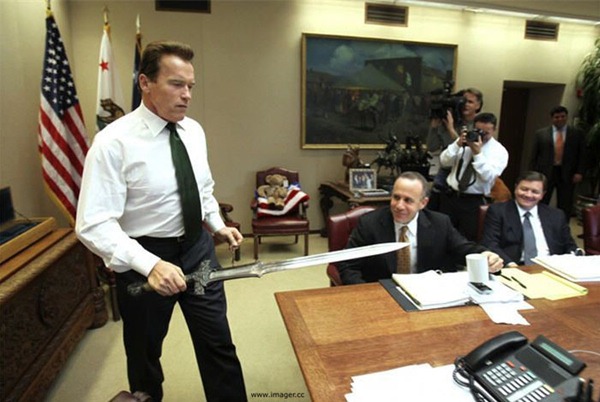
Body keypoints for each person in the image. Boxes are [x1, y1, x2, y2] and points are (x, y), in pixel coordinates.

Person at [75, 41, 247, 401]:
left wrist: (217, 224)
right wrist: (150, 265)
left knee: (218, 343)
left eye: (190, 86)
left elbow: (202, 189)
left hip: (197, 251)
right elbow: (92, 223)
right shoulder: (113, 143)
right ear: (145, 83)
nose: (186, 95)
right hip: (143, 258)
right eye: (176, 84)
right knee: (145, 356)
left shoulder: (193, 131)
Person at [338, 171, 504, 285]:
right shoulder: (370, 223)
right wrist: (367, 293)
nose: (399, 206)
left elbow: (463, 248)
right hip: (382, 295)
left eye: (408, 200)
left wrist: (485, 255)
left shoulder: (440, 223)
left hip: (426, 296)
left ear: (423, 203)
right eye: (396, 197)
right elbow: (347, 265)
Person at [481, 171, 580, 267]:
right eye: (524, 189)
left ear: (542, 195)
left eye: (535, 192)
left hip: (551, 268)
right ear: (515, 188)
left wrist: (576, 254)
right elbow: (490, 244)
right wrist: (510, 265)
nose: (528, 195)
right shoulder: (498, 211)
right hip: (515, 267)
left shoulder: (556, 215)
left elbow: (569, 245)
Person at [438, 112, 509, 241]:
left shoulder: (499, 151)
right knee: (442, 235)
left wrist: (477, 153)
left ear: (494, 130)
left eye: (486, 133)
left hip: (473, 202)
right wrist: (457, 144)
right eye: (478, 130)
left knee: (466, 240)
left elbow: (488, 176)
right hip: (450, 197)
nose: (481, 135)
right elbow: (444, 161)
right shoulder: (464, 142)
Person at [427, 88, 483, 210]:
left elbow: (467, 150)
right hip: (444, 176)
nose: (465, 105)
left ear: (478, 105)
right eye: (463, 101)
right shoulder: (450, 121)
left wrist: (451, 130)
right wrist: (434, 127)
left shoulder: (478, 125)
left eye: (470, 102)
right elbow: (431, 147)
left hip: (465, 178)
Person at [530, 105, 586, 218]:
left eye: (563, 116)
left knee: (565, 202)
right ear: (552, 118)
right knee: (542, 200)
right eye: (557, 117)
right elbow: (534, 156)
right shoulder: (541, 134)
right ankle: (539, 223)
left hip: (568, 173)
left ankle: (562, 228)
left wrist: (580, 172)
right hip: (545, 173)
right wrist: (532, 175)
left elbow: (582, 154)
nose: (560, 119)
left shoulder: (576, 133)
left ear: (566, 117)